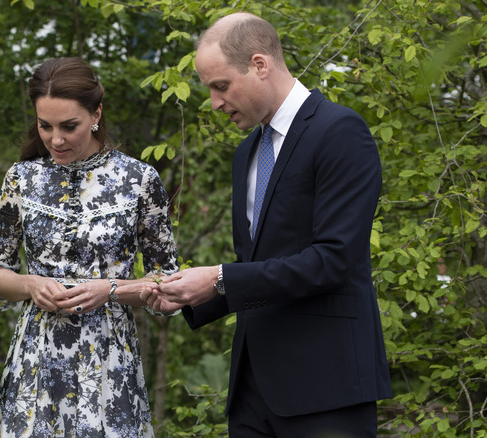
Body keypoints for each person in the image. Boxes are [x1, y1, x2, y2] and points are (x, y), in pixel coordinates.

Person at [143, 12, 392, 437]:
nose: (215, 102)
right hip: (253, 391)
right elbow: (257, 264)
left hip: (326, 388)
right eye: (208, 89)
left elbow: (333, 260)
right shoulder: (247, 152)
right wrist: (190, 295)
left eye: (221, 86)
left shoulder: (340, 132)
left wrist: (218, 279)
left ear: (260, 65)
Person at [0, 57, 178, 437]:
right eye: (45, 126)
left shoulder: (139, 180)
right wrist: (30, 285)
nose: (55, 139)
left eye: (69, 126)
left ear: (96, 113)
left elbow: (167, 280)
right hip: (36, 358)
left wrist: (113, 290)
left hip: (108, 360)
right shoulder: (22, 178)